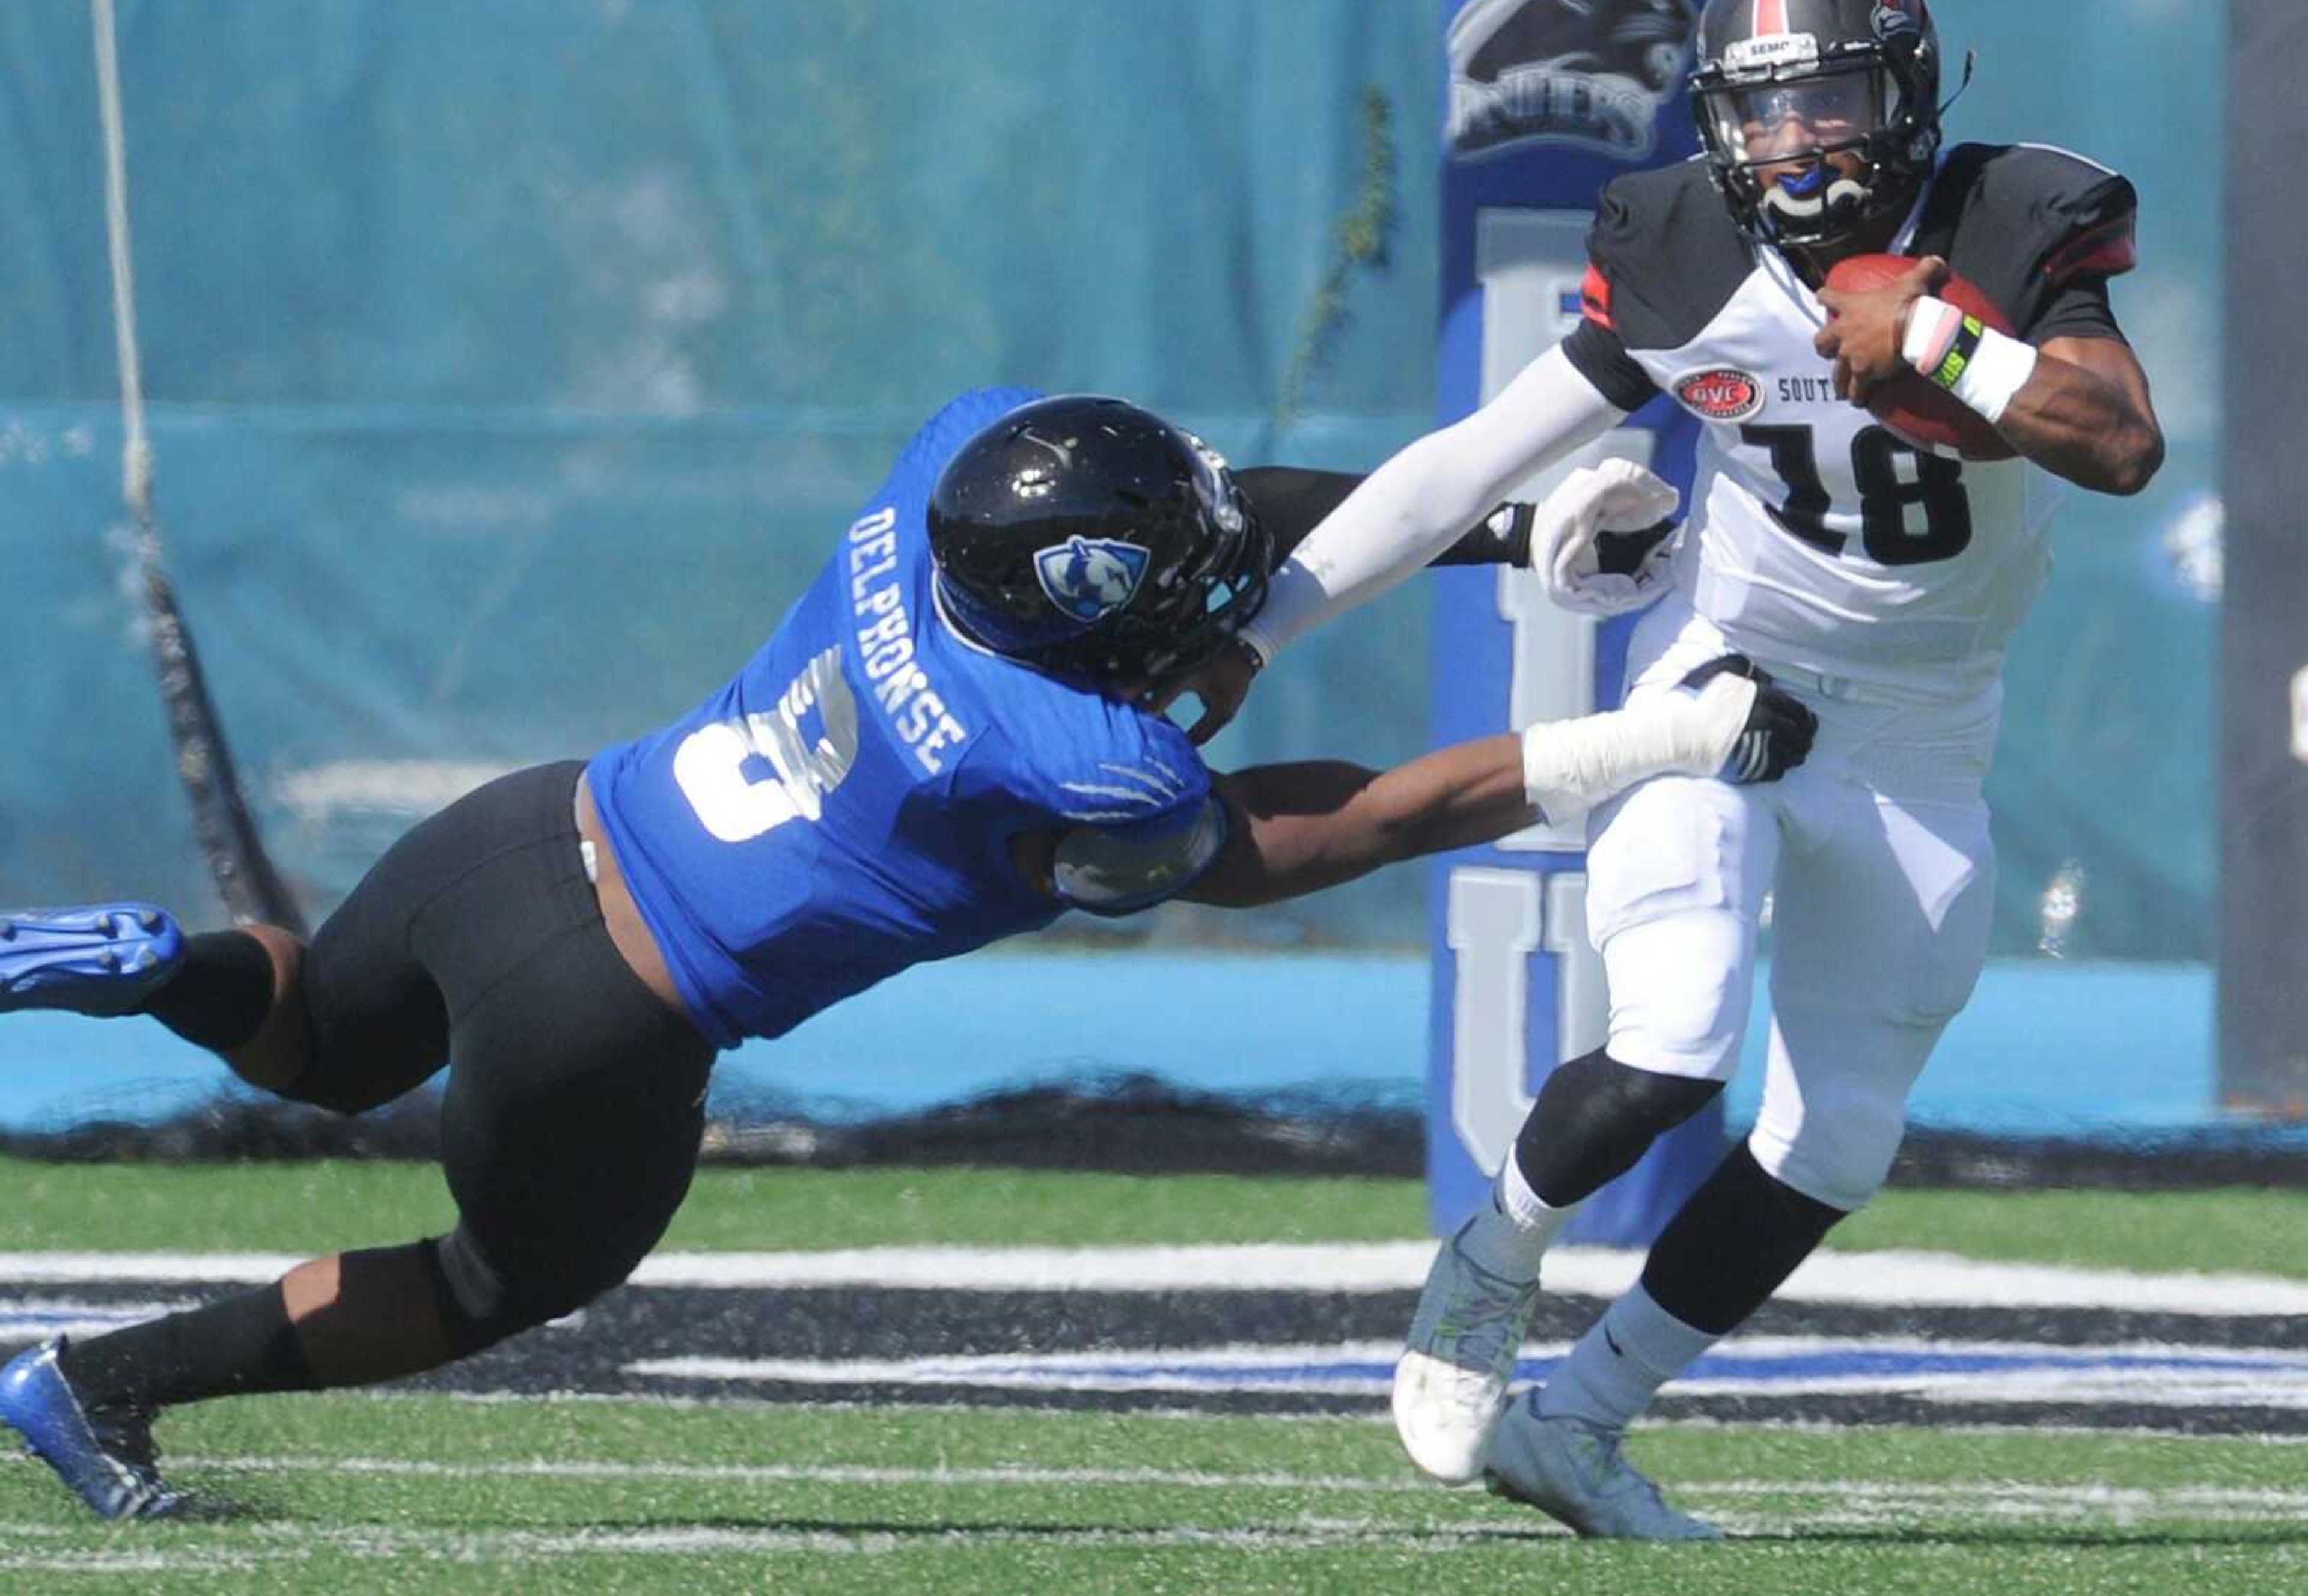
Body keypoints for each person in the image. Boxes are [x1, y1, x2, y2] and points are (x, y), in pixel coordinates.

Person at [0, 386, 1814, 1521]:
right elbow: (1328, 830)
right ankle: (102, 1384)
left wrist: (1499, 527)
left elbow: (1200, 517)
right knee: (490, 1283)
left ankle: (154, 959)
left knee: (313, 1027)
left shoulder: (954, 472)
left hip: (523, 831)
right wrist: (1642, 746)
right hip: (611, 1016)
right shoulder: (1076, 758)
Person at [1159, 0, 2164, 1540]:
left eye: (1828, 106)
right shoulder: (1684, 248)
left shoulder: (2008, 217)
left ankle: (1580, 1423)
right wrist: (1257, 630)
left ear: (1904, 97)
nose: (1795, 150)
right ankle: (1492, 1255)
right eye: (1760, 115)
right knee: (1679, 1030)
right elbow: (1460, 465)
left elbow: (2122, 440)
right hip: (1732, 677)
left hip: (1923, 731)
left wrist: (1941, 338)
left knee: (1839, 1136)